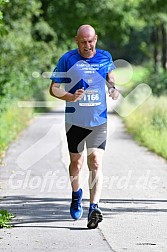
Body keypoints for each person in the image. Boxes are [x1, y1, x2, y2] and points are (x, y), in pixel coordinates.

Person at [49, 24, 119, 229]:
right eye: (83, 42)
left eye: (90, 41)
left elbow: (110, 77)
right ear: (76, 41)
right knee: (76, 164)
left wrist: (113, 88)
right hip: (75, 121)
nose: (87, 46)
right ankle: (75, 194)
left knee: (96, 162)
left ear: (95, 39)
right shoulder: (67, 59)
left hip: (99, 120)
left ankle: (93, 208)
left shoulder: (105, 57)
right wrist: (70, 96)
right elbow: (54, 88)